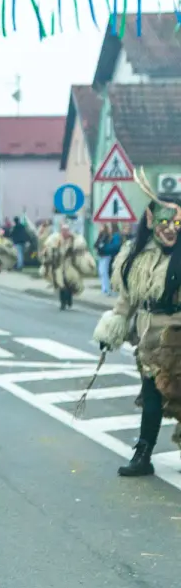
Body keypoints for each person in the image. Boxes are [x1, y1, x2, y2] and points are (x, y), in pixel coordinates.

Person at [93, 191, 181, 477]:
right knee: (152, 395)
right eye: (164, 221)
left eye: (177, 223)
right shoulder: (139, 255)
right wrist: (113, 328)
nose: (170, 229)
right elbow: (128, 298)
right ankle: (143, 455)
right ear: (151, 221)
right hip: (149, 339)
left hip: (177, 336)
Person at [40, 223, 95, 310]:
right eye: (63, 230)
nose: (65, 232)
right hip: (58, 266)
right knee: (61, 285)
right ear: (61, 231)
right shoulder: (55, 239)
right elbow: (48, 250)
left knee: (70, 283)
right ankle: (63, 303)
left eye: (66, 230)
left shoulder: (73, 240)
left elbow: (80, 248)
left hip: (69, 265)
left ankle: (69, 300)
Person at [95, 223, 122, 295]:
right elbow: (97, 244)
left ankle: (109, 289)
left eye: (110, 227)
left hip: (110, 256)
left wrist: (103, 248)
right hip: (106, 256)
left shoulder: (115, 236)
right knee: (103, 272)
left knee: (106, 273)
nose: (108, 229)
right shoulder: (108, 235)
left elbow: (115, 247)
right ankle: (106, 289)